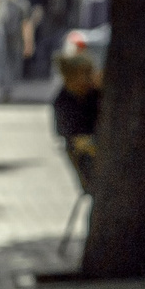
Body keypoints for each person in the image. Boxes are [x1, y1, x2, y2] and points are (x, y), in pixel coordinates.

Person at [50, 53, 101, 193]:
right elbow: (69, 134)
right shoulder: (64, 102)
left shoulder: (95, 94)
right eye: (85, 74)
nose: (90, 78)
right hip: (85, 156)